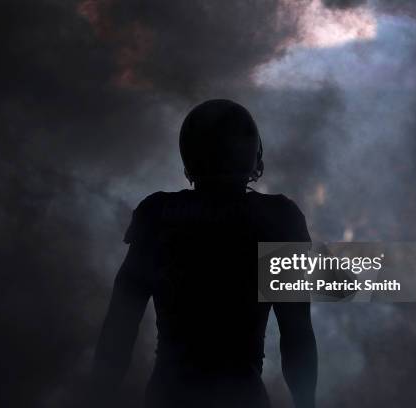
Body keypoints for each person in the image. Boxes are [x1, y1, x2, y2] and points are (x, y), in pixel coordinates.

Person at [93, 99, 317, 408]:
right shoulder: (276, 219)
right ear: (254, 154)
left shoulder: (158, 216)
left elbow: (118, 332)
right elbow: (297, 336)